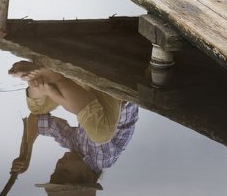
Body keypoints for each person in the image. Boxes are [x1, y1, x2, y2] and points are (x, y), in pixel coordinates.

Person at [7, 61, 139, 194]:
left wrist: (25, 153)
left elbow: (35, 121)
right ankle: (52, 77)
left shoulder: (76, 147)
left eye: (55, 171)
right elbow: (92, 118)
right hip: (116, 90)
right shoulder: (102, 159)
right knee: (100, 134)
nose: (58, 165)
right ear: (87, 176)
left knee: (36, 109)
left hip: (92, 86)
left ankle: (37, 79)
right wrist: (52, 93)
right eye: (64, 172)